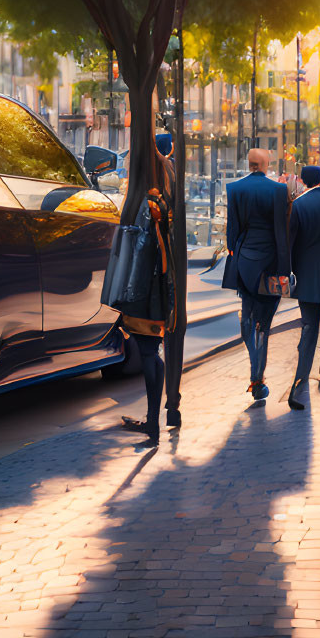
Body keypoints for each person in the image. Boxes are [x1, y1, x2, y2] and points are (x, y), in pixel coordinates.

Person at [119, 133, 176, 440]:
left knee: (148, 351)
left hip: (143, 285)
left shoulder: (146, 200)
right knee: (152, 350)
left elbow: (135, 245)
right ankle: (154, 418)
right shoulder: (165, 191)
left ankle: (152, 421)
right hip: (162, 283)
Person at [222, 147, 292, 401]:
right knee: (264, 324)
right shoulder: (277, 190)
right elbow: (281, 234)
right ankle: (257, 377)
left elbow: (232, 231)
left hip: (245, 262)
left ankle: (256, 372)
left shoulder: (235, 189)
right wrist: (285, 270)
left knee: (248, 321)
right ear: (264, 165)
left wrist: (235, 253)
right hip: (271, 262)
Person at [286, 163, 320, 408]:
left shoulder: (299, 206)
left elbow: (290, 243)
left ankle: (302, 373)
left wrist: (288, 271)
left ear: (302, 180)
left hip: (307, 276)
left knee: (309, 325)